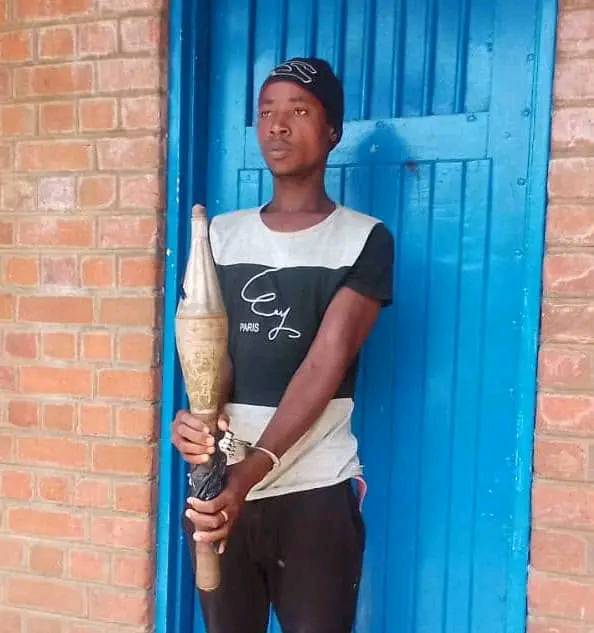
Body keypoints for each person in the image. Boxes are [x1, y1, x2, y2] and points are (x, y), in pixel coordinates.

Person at [172, 57, 394, 633]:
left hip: (314, 492)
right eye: (267, 111)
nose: (277, 125)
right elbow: (212, 358)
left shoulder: (364, 239)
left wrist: (248, 475)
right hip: (219, 492)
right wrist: (196, 421)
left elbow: (325, 362)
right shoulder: (219, 235)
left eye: (299, 111)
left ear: (333, 131)